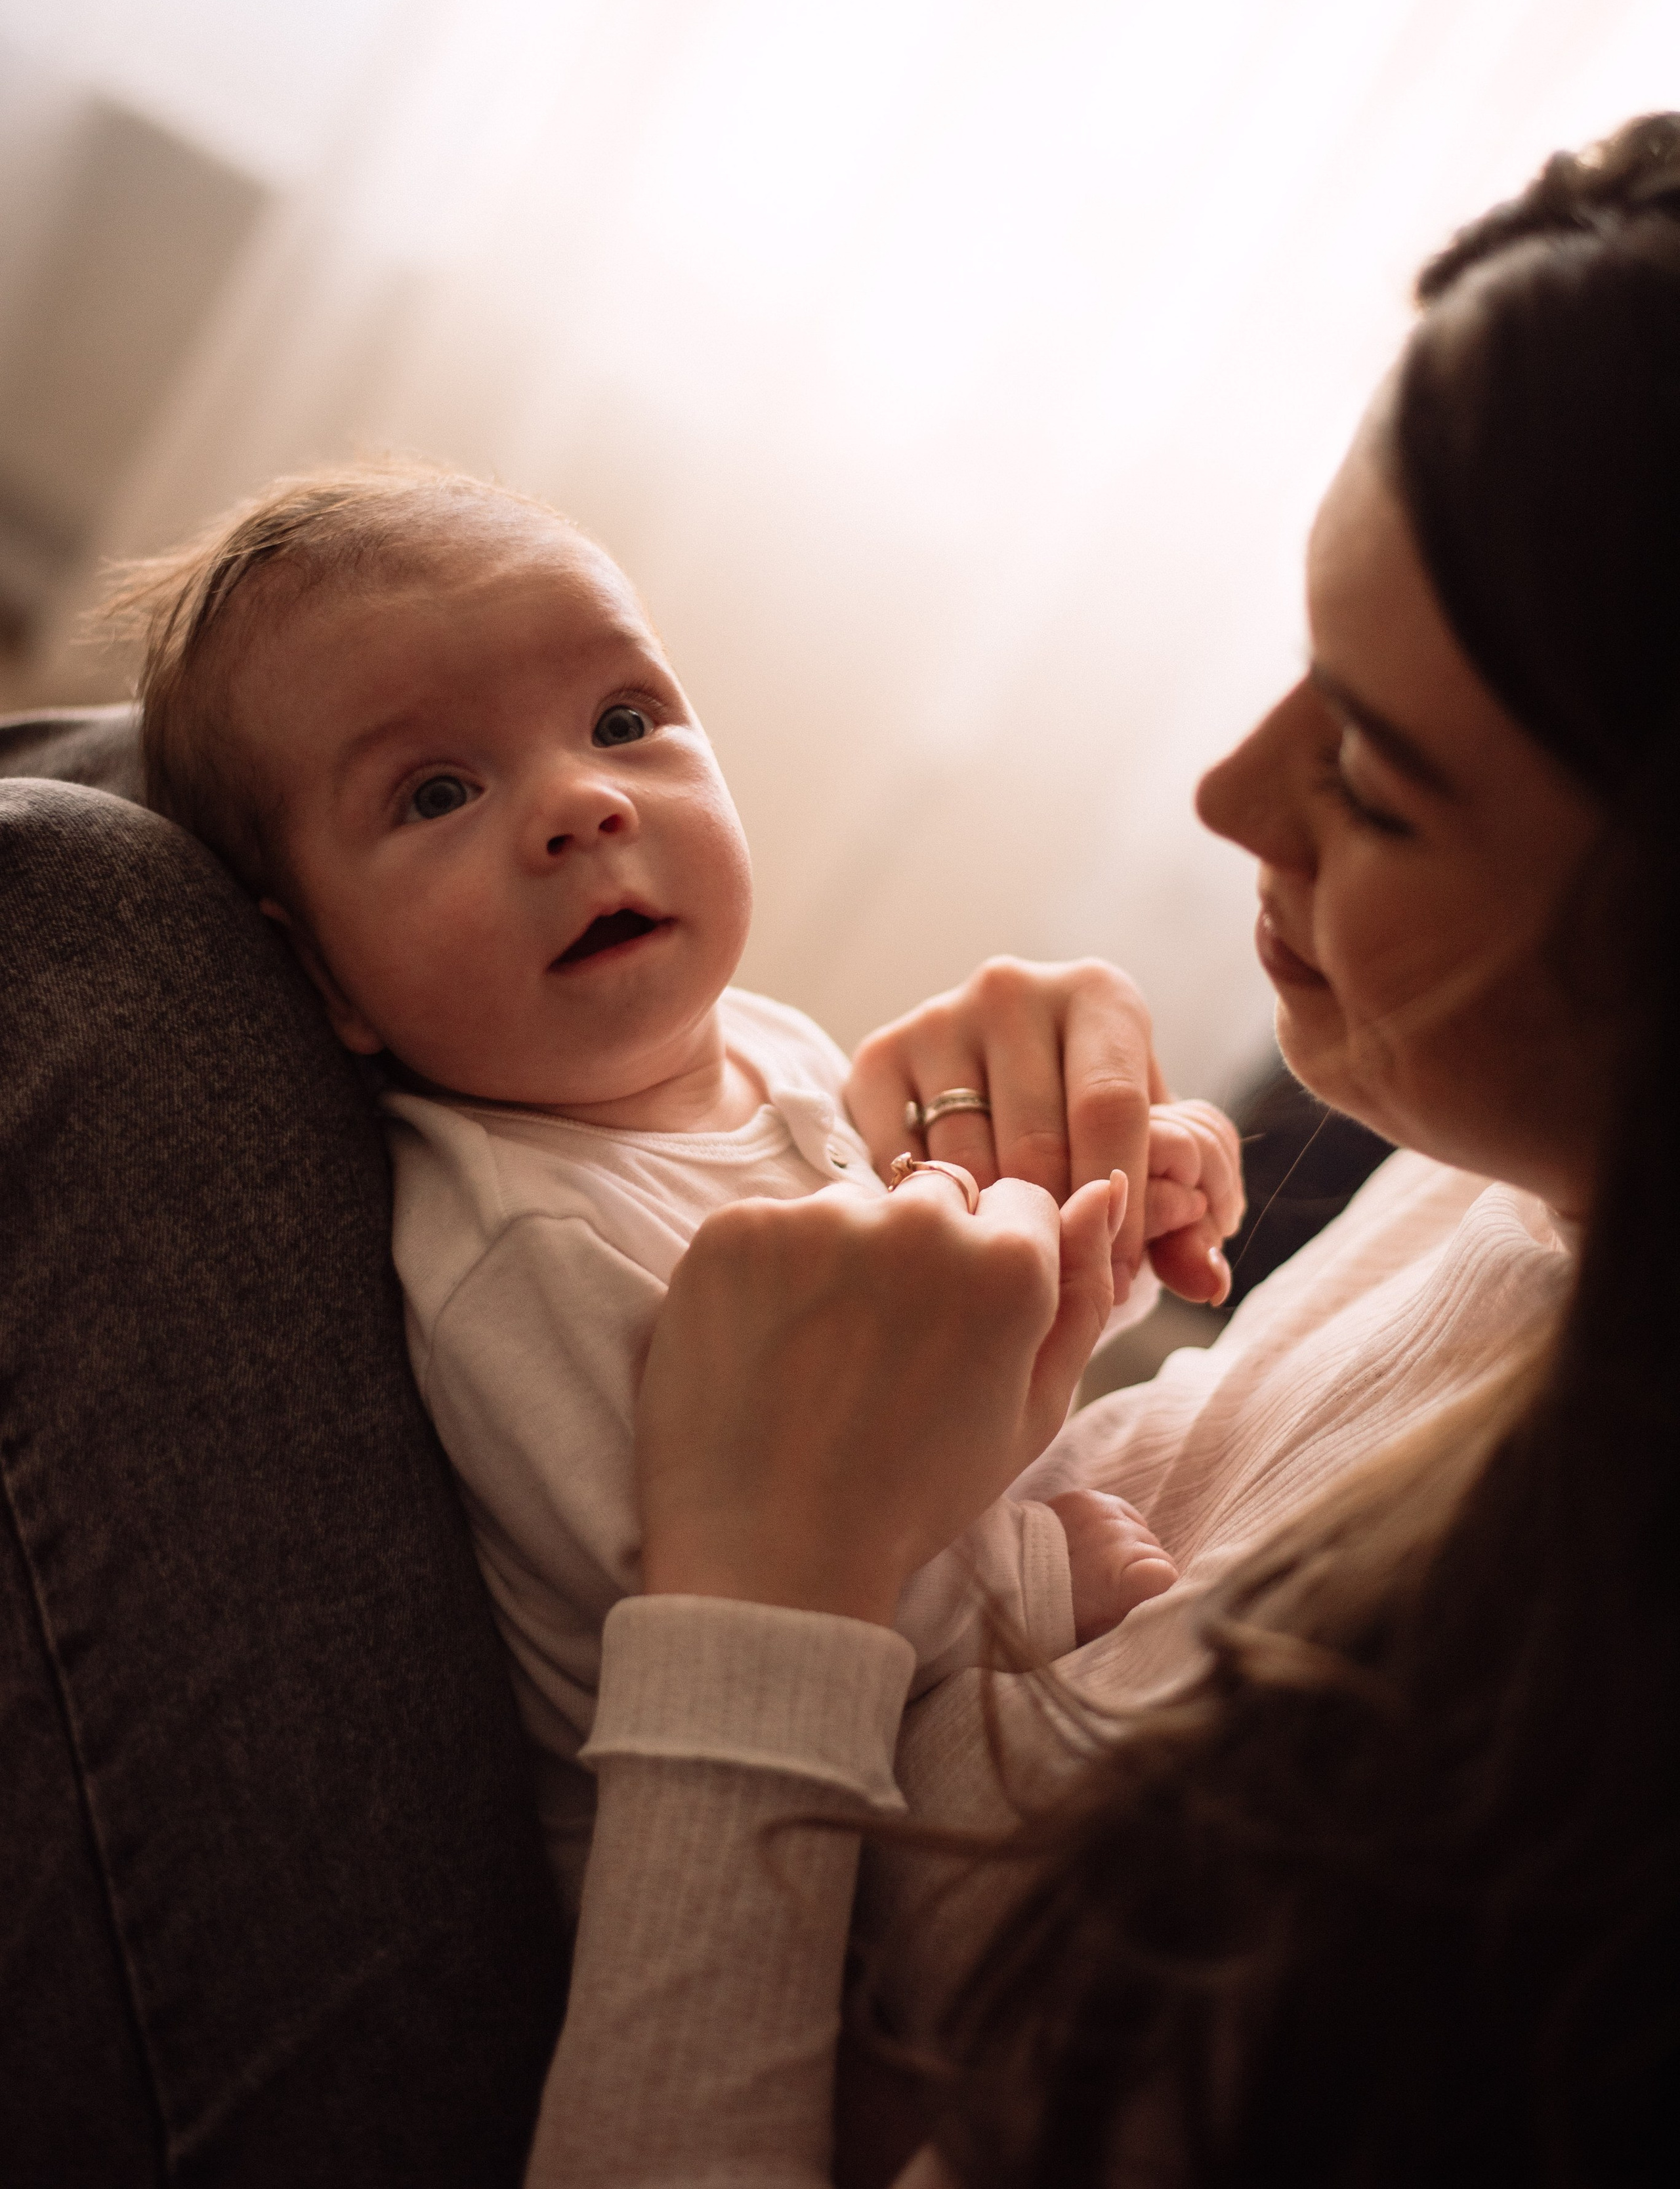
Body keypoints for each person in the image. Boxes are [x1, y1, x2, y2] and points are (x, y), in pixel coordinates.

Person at [528, 112, 1680, 2187]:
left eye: (1383, 787)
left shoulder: (1551, 1846)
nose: (1232, 793)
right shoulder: (1526, 1182)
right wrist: (993, 1291)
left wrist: (766, 1596)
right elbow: (1115, 1630)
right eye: (1313, 663)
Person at [102, 481, 1243, 1909]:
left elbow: (949, 1328)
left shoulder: (769, 1049)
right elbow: (677, 1591)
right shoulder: (513, 1244)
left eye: (622, 722)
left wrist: (1098, 1213)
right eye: (437, 793)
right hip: (759, 1860)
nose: (582, 803)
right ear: (324, 972)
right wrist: (1020, 1574)